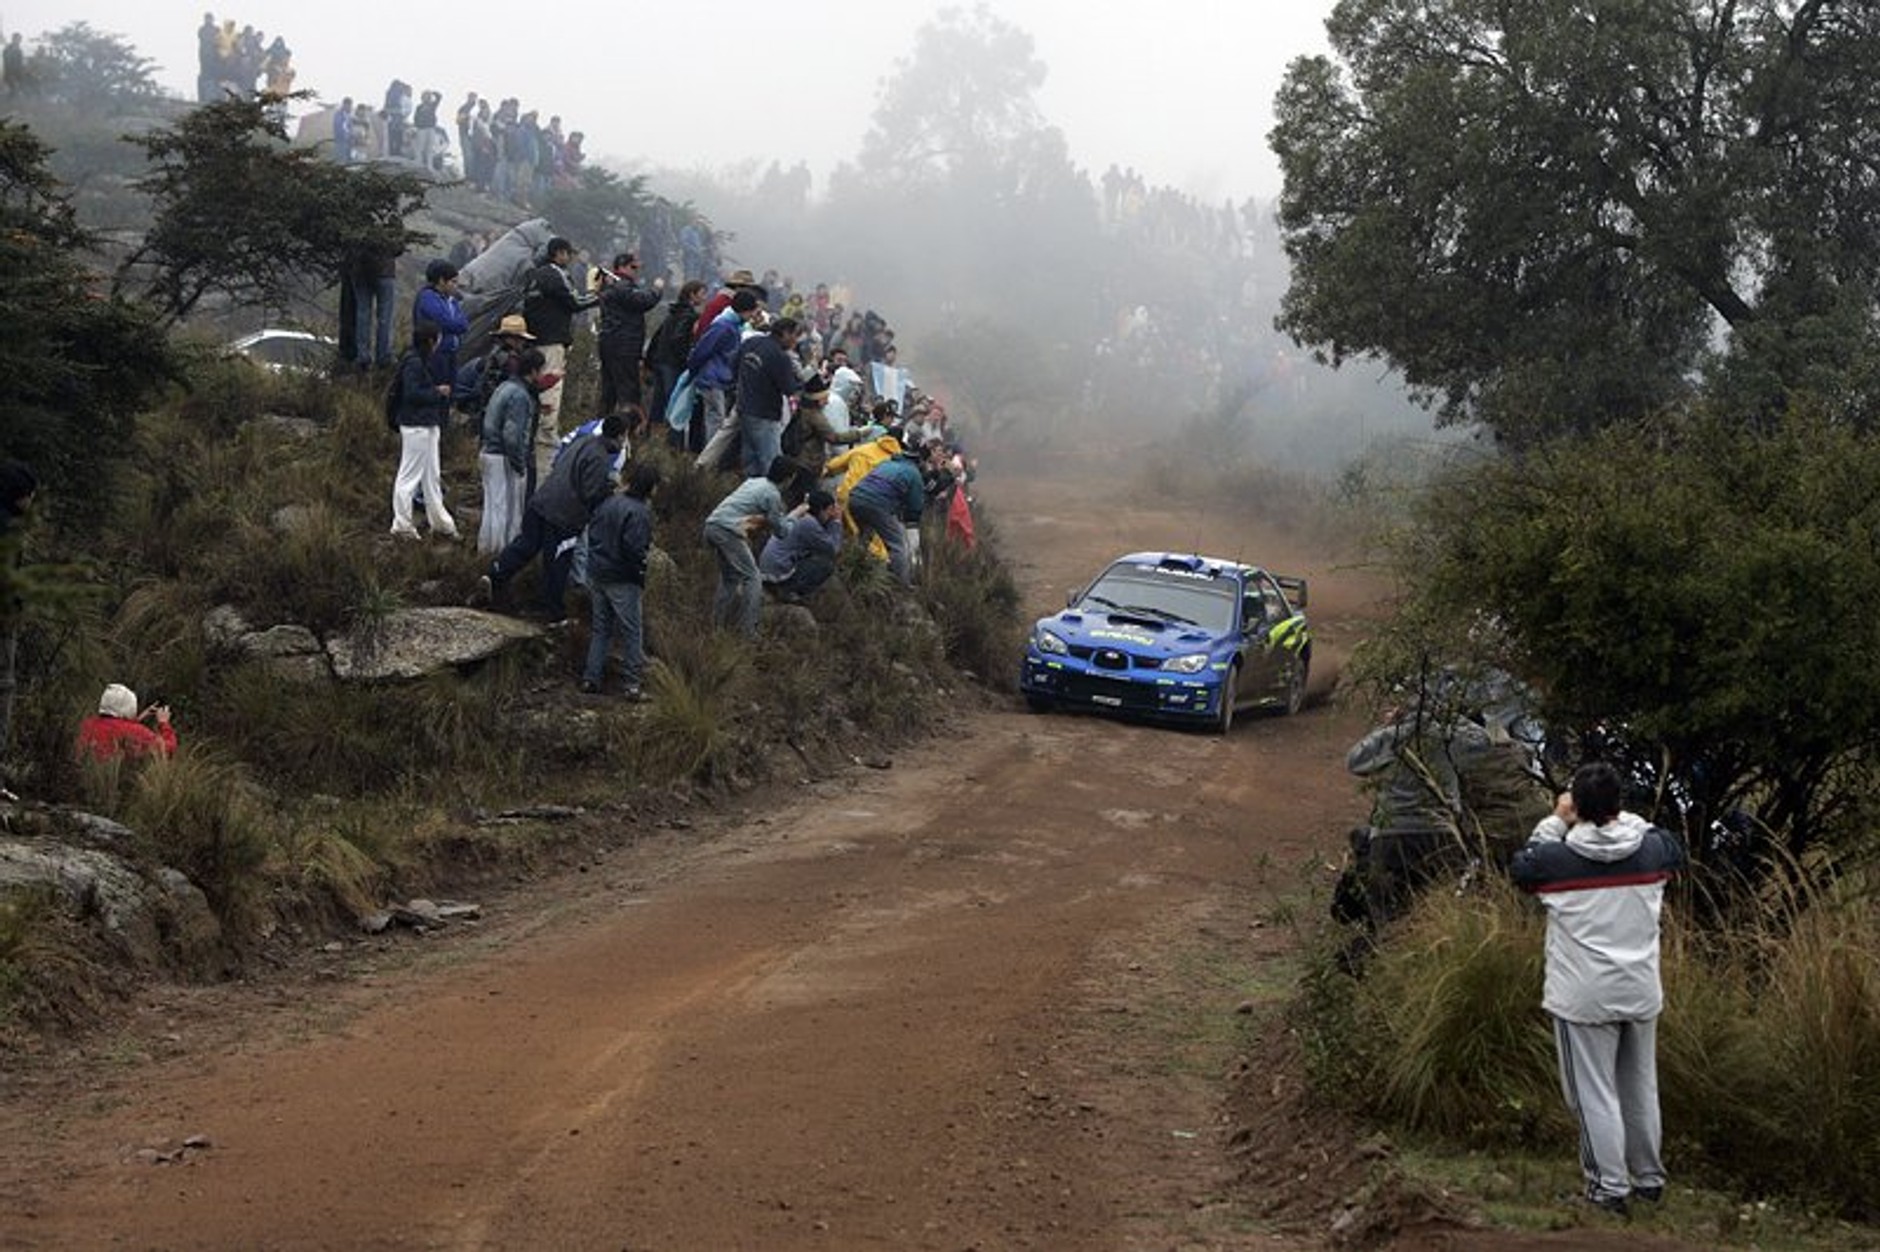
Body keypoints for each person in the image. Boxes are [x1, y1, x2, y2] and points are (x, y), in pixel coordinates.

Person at [1511, 762, 1685, 1218]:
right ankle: (1648, 1179)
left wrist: (1555, 819)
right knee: (1639, 1086)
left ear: (1578, 808)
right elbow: (1668, 843)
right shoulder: (1650, 853)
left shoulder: (1556, 859)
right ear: (1619, 806)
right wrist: (1622, 817)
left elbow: (1523, 867)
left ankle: (1608, 1187)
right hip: (1641, 988)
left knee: (1593, 1094)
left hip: (1584, 996)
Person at [1338, 696, 1494, 927]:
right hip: (1440, 834)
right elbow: (1484, 742)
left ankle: (1387, 955)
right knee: (1440, 915)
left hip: (1391, 835)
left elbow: (1354, 761)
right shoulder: (1447, 737)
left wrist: (1388, 727)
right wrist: (1449, 716)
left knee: (1386, 916)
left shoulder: (1392, 737)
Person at [476, 413, 627, 623]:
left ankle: (495, 574)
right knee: (557, 563)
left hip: (542, 501)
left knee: (525, 545)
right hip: (565, 516)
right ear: (619, 437)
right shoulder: (601, 459)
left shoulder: (582, 441)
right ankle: (552, 612)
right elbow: (590, 493)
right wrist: (609, 490)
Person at [580, 462, 660, 699]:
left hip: (596, 572)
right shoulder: (640, 512)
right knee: (632, 631)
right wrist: (641, 570)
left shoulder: (609, 502)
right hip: (622, 578)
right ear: (650, 487)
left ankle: (590, 678)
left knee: (601, 628)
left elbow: (591, 533)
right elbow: (634, 549)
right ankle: (632, 685)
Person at [522, 236, 599, 476]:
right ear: (559, 254)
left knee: (535, 384)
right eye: (567, 253)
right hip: (552, 339)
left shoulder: (534, 274)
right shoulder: (555, 274)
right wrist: (599, 294)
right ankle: (546, 433)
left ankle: (535, 430)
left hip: (532, 338)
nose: (569, 258)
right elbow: (575, 302)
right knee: (551, 386)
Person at [702, 457, 796, 636]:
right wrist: (794, 517)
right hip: (727, 531)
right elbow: (782, 532)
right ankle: (748, 631)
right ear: (789, 478)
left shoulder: (755, 482)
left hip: (712, 525)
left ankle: (716, 626)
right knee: (753, 578)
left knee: (729, 577)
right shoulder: (772, 495)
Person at [388, 323, 460, 541]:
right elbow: (412, 394)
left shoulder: (415, 361)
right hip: (416, 424)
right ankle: (402, 525)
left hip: (425, 424)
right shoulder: (414, 363)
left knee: (431, 475)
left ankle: (441, 522)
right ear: (431, 340)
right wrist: (436, 392)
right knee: (409, 475)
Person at [478, 347, 545, 555]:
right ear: (533, 371)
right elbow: (512, 435)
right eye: (540, 371)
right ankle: (501, 554)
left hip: (489, 451)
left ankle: (486, 550)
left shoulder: (505, 386)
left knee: (492, 507)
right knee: (504, 509)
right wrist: (519, 464)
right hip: (502, 457)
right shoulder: (520, 396)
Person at [688, 289, 762, 471]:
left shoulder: (732, 325)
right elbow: (702, 350)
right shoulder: (723, 326)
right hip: (712, 380)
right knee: (716, 422)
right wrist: (695, 371)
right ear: (744, 310)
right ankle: (708, 465)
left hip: (719, 380)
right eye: (752, 311)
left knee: (718, 421)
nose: (753, 315)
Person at [734, 315, 808, 478]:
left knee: (750, 459)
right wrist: (804, 385)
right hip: (765, 414)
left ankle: (749, 491)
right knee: (771, 463)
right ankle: (767, 498)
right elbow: (789, 388)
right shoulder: (780, 357)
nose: (796, 340)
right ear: (785, 333)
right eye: (795, 335)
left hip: (744, 407)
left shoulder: (751, 343)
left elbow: (734, 363)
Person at [846, 440, 929, 585]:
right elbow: (915, 507)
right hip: (877, 503)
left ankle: (854, 570)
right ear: (920, 462)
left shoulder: (886, 463)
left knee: (865, 536)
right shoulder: (914, 474)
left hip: (855, 497)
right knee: (897, 545)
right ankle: (902, 584)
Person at [596, 252, 664, 421]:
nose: (636, 272)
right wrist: (657, 289)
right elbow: (644, 301)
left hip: (609, 343)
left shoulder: (608, 286)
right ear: (621, 267)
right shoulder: (621, 286)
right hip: (624, 346)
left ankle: (602, 424)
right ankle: (628, 430)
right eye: (633, 267)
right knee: (628, 391)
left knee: (609, 389)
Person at [646, 280, 704, 448]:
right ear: (692, 295)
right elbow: (678, 339)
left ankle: (650, 441)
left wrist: (650, 360)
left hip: (660, 362)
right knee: (674, 404)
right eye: (701, 293)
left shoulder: (673, 312)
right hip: (672, 365)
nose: (704, 298)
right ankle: (673, 445)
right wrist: (686, 360)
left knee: (658, 404)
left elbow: (657, 337)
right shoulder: (689, 316)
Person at [759, 489, 843, 601]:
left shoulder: (800, 514)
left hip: (768, 567)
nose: (831, 515)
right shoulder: (809, 523)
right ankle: (787, 590)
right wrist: (836, 522)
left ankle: (779, 587)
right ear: (821, 510)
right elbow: (833, 549)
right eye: (829, 510)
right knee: (826, 565)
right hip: (778, 570)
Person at [76, 684, 176, 762]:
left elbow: (114, 728)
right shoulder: (135, 731)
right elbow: (168, 749)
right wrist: (164, 723)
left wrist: (137, 720)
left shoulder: (86, 724)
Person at [413, 259, 469, 387]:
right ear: (441, 280)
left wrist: (458, 324)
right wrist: (457, 323)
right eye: (453, 282)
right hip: (436, 353)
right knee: (438, 389)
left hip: (451, 351)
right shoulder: (427, 298)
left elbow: (464, 323)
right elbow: (447, 323)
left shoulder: (450, 299)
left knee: (450, 389)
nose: (456, 286)